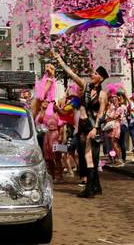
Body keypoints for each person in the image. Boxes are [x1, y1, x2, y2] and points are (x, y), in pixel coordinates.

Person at [52, 50, 108, 199]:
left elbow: (101, 113)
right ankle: (95, 186)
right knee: (85, 157)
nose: (92, 75)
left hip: (92, 127)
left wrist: (96, 128)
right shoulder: (85, 86)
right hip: (82, 127)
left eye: (95, 73)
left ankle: (90, 189)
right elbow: (71, 74)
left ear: (101, 78)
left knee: (90, 157)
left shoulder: (103, 94)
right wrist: (60, 60)